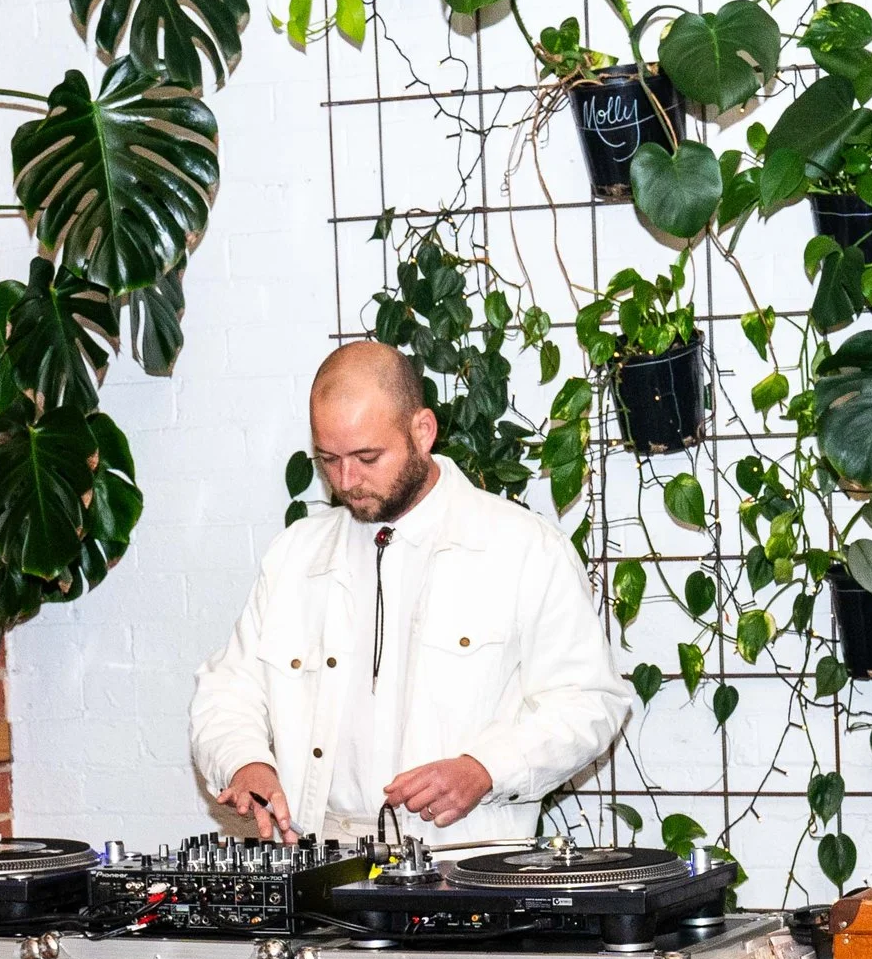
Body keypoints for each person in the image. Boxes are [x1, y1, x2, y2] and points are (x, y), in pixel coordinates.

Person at [190, 342, 630, 845]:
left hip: (464, 859)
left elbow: (589, 701)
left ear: (422, 431)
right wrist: (245, 762)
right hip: (315, 859)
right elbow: (228, 690)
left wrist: (486, 768)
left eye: (367, 457)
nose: (347, 480)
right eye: (329, 460)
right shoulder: (294, 554)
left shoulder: (524, 547)